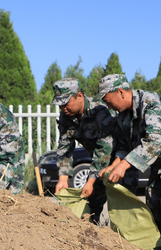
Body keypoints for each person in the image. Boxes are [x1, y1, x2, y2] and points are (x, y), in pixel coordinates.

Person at [99, 74, 161, 250]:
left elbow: (155, 142)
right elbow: (124, 145)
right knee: (153, 204)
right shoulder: (123, 116)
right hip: (160, 161)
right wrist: (114, 164)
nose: (109, 106)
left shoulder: (150, 103)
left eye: (108, 101)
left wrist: (124, 165)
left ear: (120, 92)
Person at [51, 78, 128, 223]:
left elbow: (105, 150)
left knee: (124, 208)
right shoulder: (66, 116)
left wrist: (90, 181)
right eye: (59, 105)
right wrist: (63, 178)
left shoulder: (100, 111)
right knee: (91, 204)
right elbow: (64, 147)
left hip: (120, 161)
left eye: (66, 103)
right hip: (98, 166)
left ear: (79, 96)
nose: (63, 108)